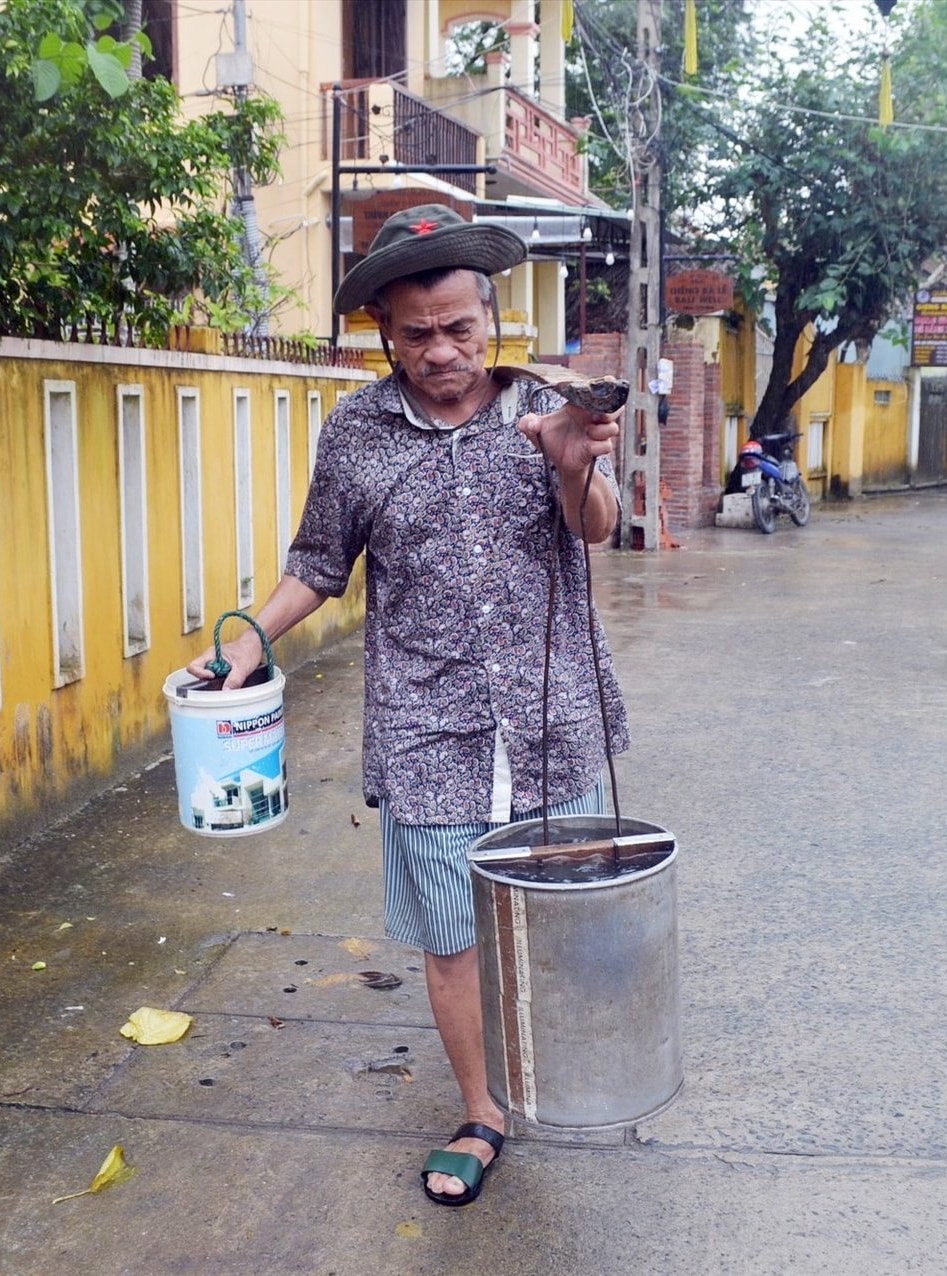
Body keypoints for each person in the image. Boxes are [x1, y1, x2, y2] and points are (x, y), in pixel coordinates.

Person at [186, 204, 628, 1207]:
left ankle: (552, 1066)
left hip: (553, 716)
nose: (442, 351)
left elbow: (597, 527)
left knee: (558, 918)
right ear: (384, 330)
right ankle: (483, 1110)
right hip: (430, 727)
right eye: (417, 333)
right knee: (451, 933)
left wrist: (574, 466)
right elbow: (319, 563)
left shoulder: (544, 406)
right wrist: (248, 642)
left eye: (460, 328)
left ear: (491, 314)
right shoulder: (356, 434)